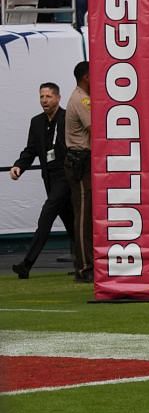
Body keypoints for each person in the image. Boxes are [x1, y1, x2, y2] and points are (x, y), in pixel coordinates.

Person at [8, 80, 69, 278]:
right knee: (73, 223)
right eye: (41, 96)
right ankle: (86, 264)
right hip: (49, 179)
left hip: (66, 177)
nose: (44, 100)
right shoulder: (36, 122)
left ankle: (26, 264)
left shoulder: (68, 118)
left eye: (48, 96)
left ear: (58, 98)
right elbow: (31, 150)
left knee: (45, 218)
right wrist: (19, 165)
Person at [64, 60, 91, 282]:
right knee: (83, 216)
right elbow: (96, 127)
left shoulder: (81, 97)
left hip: (82, 160)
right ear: (86, 77)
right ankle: (83, 267)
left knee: (87, 215)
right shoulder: (82, 99)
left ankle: (86, 263)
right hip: (80, 161)